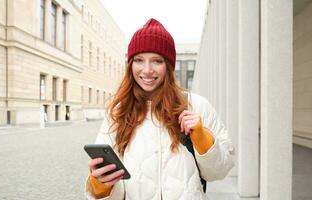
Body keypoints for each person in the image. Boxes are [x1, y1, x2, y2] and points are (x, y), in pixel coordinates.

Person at [85, 18, 234, 200]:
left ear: (169, 66)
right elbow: (112, 185)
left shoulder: (197, 105)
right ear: (130, 64)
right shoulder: (117, 111)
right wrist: (101, 187)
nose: (147, 70)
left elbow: (219, 171)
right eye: (139, 60)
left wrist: (202, 138)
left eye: (157, 61)